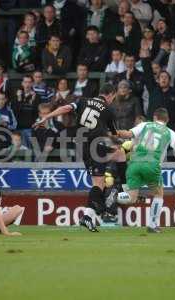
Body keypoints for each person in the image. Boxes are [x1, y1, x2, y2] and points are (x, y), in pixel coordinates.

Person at [36, 83, 119, 232]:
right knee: (101, 179)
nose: (113, 99)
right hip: (96, 146)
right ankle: (97, 211)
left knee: (98, 182)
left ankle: (92, 215)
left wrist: (47, 117)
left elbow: (66, 109)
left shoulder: (83, 101)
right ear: (111, 94)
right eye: (114, 97)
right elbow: (114, 134)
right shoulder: (109, 109)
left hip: (82, 146)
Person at [115, 108, 175, 233]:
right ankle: (152, 225)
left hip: (134, 163)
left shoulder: (145, 125)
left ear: (154, 117)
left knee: (131, 198)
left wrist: (115, 132)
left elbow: (127, 134)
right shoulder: (170, 132)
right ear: (167, 120)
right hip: (152, 165)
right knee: (158, 194)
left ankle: (113, 196)